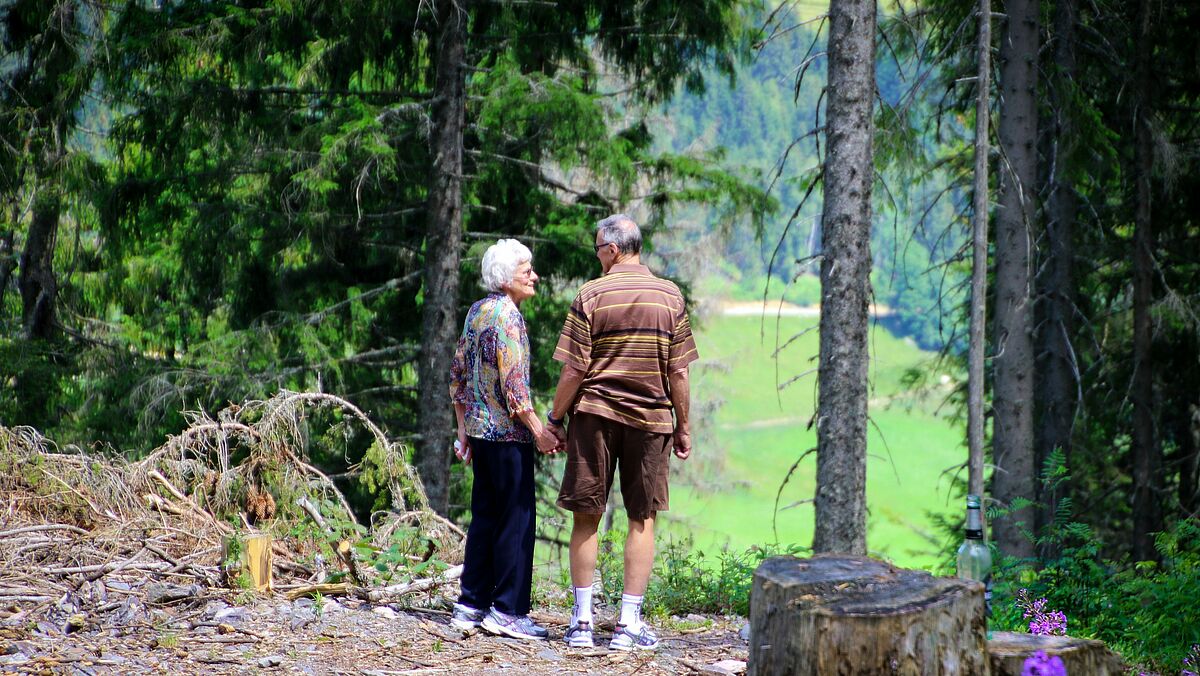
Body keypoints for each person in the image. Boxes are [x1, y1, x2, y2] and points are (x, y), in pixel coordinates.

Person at [545, 214, 698, 651]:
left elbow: (575, 369)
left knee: (586, 516)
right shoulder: (670, 296)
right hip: (651, 422)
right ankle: (629, 625)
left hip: (594, 416)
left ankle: (581, 624)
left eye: (597, 249)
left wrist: (555, 420)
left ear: (612, 250)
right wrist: (683, 427)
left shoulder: (590, 295)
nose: (597, 257)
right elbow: (679, 371)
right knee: (642, 518)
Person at [448, 238, 561, 641]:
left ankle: (471, 603)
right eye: (526, 269)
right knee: (516, 520)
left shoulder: (477, 311)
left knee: (485, 519)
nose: (534, 276)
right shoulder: (509, 319)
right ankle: (508, 610)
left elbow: (457, 377)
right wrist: (541, 433)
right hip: (509, 436)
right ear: (506, 277)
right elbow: (516, 391)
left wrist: (463, 434)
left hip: (480, 435)